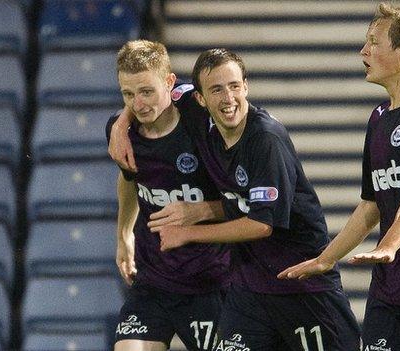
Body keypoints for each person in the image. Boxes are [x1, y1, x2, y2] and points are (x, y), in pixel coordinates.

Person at [109, 48, 361, 350]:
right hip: (247, 289)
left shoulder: (264, 138)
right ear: (201, 99)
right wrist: (121, 124)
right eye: (216, 90)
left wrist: (192, 224)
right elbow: (131, 170)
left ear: (246, 87)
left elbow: (261, 223)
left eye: (234, 87)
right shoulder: (206, 130)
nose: (227, 98)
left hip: (301, 284)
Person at [278, 3, 400, 350]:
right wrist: (327, 258)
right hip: (388, 288)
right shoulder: (379, 118)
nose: (363, 51)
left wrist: (389, 246)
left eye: (374, 42)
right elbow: (371, 205)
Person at [108, 40, 230, 351]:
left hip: (210, 281)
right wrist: (124, 234)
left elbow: (244, 204)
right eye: (128, 95)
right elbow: (129, 178)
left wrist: (200, 210)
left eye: (147, 92)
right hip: (154, 280)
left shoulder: (200, 117)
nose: (138, 104)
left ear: (170, 83)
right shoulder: (123, 134)